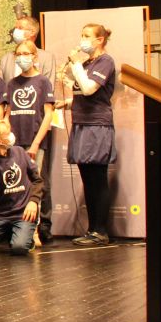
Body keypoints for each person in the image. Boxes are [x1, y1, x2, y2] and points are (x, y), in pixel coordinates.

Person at [64, 23, 117, 246]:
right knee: (87, 178)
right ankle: (92, 229)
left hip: (96, 125)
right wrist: (66, 102)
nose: (82, 39)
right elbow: (81, 94)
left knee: (97, 178)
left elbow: (89, 89)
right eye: (81, 34)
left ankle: (101, 231)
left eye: (87, 36)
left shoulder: (105, 61)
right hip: (81, 123)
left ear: (100, 40)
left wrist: (75, 65)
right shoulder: (87, 63)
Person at [7, 39, 56, 243]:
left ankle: (35, 230)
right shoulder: (12, 83)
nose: (21, 58)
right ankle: (18, 228)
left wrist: (36, 143)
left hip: (34, 140)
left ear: (34, 57)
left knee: (35, 184)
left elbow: (48, 115)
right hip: (15, 142)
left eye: (26, 54)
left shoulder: (43, 82)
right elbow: (8, 113)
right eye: (18, 54)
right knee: (18, 184)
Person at [0, 118, 43, 256]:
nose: (11, 134)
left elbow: (38, 180)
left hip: (24, 214)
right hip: (2, 216)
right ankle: (10, 232)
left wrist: (34, 201)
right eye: (7, 133)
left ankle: (24, 235)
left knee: (19, 248)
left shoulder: (20, 152)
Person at [0, 15, 57, 81]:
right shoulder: (6, 59)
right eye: (15, 28)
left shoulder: (47, 58)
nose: (15, 31)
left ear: (32, 32)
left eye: (20, 28)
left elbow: (49, 87)